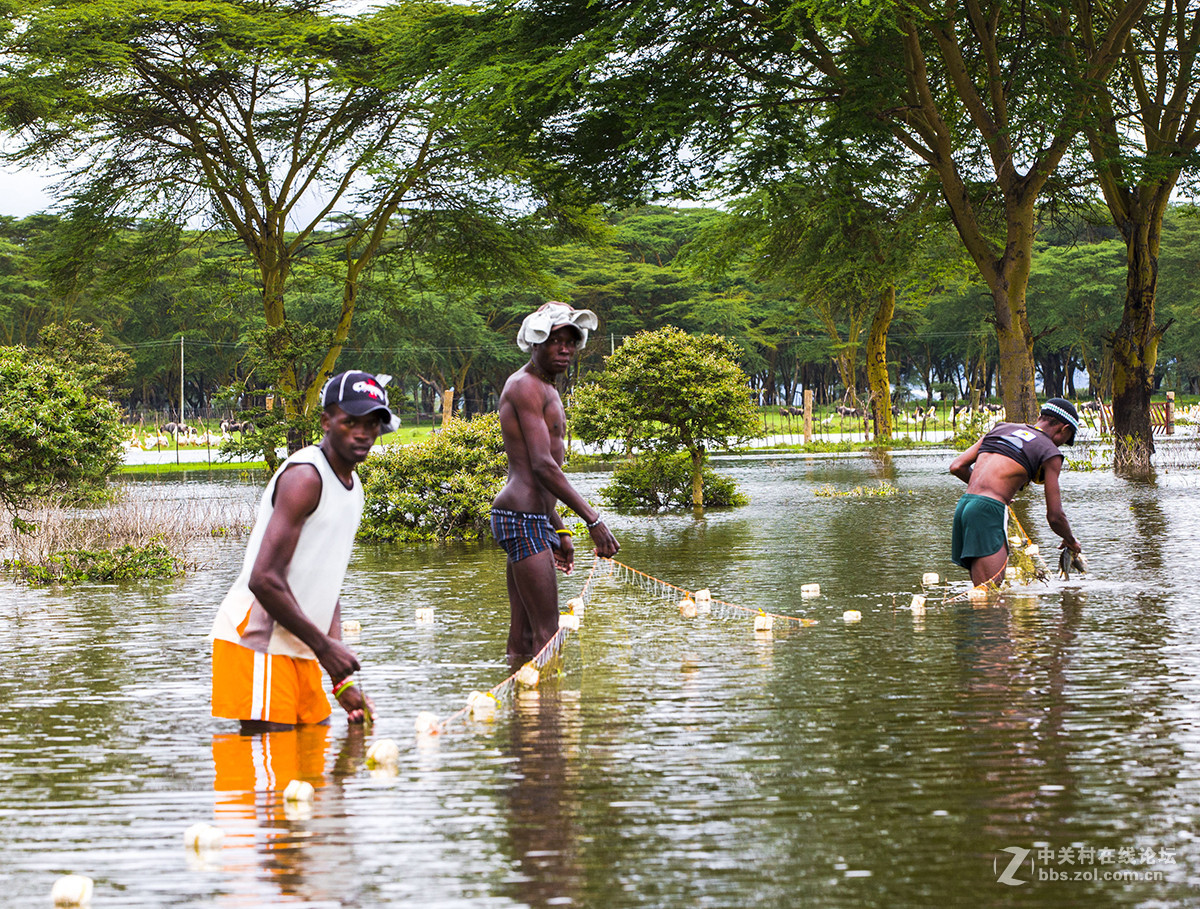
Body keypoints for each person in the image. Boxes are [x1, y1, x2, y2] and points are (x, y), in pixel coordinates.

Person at [210, 370, 397, 733]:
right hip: (259, 641)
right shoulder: (305, 477)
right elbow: (263, 580)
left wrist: (340, 679)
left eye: (372, 423)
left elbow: (328, 587)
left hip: (301, 641)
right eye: (351, 422)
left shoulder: (353, 487)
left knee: (316, 755)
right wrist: (326, 649)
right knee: (269, 775)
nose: (363, 433)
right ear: (327, 421)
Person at [493, 301, 620, 662]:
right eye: (555, 341)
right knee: (549, 635)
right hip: (521, 518)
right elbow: (541, 466)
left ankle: (525, 714)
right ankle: (549, 716)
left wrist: (559, 529)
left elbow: (537, 476)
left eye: (570, 341)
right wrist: (592, 521)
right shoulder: (525, 387)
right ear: (535, 343)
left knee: (526, 635)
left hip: (531, 518)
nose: (564, 349)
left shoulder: (545, 388)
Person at [949, 397, 1082, 587]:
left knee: (982, 592)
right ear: (1064, 429)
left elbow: (957, 466)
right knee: (991, 596)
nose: (1061, 445)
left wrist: (991, 491)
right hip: (988, 512)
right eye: (1066, 440)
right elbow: (1055, 516)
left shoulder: (1002, 428)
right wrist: (1071, 541)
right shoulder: (1050, 451)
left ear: (1040, 417)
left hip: (964, 506)